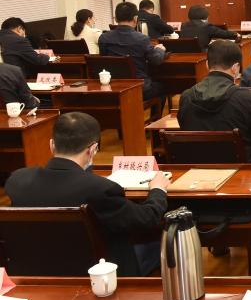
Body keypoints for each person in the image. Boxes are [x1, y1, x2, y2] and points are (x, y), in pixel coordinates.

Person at [6, 112, 169, 276]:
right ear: (92, 150)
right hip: (99, 275)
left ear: (52, 145)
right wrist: (158, 190)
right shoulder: (101, 189)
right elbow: (147, 219)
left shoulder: (18, 181)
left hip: (35, 273)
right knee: (165, 241)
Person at [178, 40, 251, 162]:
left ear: (207, 65)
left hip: (196, 167)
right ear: (235, 68)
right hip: (241, 168)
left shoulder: (186, 96)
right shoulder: (246, 97)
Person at [98, 3, 166, 102]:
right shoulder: (141, 39)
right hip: (139, 87)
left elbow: (103, 59)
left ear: (116, 19)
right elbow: (156, 60)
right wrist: (159, 49)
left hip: (113, 86)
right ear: (135, 19)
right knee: (162, 87)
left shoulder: (104, 38)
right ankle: (152, 113)